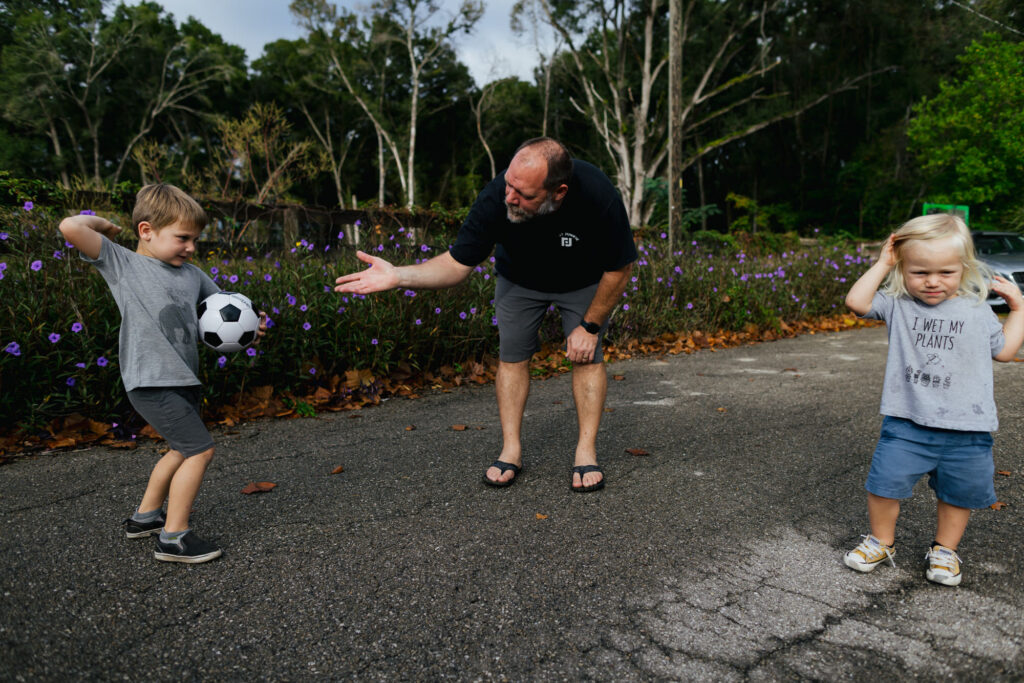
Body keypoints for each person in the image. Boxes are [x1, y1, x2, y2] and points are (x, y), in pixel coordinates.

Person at [334, 137, 637, 492]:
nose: (510, 197)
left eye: (523, 194)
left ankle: (586, 451)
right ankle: (511, 449)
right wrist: (399, 275)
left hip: (582, 280)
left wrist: (590, 324)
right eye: (509, 184)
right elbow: (456, 264)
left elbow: (620, 267)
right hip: (519, 278)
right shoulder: (499, 194)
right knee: (512, 357)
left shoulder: (598, 195)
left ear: (558, 192)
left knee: (587, 357)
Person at [59, 184, 267, 564]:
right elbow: (70, 227)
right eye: (182, 238)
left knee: (179, 450)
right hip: (151, 380)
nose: (190, 247)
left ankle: (145, 519)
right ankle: (173, 538)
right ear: (146, 231)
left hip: (184, 378)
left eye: (195, 239)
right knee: (200, 451)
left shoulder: (192, 274)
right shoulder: (123, 263)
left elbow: (224, 307)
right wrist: (104, 225)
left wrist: (254, 324)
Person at [843, 213, 1024, 586]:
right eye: (919, 272)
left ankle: (945, 549)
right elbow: (857, 302)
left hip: (967, 428)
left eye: (945, 272)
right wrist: (882, 263)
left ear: (964, 268)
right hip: (907, 422)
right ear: (903, 269)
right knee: (883, 485)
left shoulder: (979, 311)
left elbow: (1005, 351)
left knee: (959, 494)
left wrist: (1019, 309)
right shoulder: (898, 303)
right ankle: (881, 540)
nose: (932, 282)